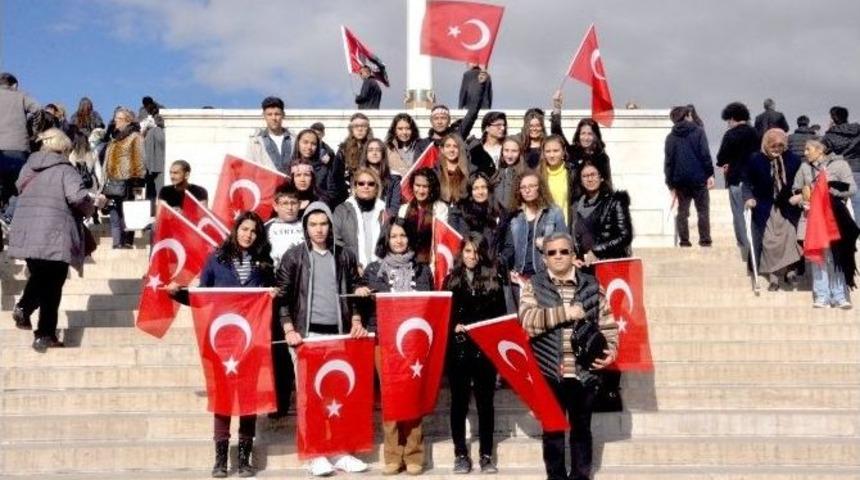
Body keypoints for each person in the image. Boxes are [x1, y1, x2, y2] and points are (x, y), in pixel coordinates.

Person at [167, 211, 277, 478]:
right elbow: (204, 298)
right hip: (222, 342)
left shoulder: (264, 264)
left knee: (248, 400)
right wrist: (177, 293)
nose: (248, 234)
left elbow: (271, 296)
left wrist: (272, 294)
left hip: (252, 342)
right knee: (223, 399)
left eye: (253, 231)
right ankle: (220, 460)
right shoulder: (216, 259)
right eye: (244, 229)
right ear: (235, 230)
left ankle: (244, 458)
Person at [276, 201, 371, 476]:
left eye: (324, 224)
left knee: (339, 394)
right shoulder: (294, 256)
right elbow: (282, 297)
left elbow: (354, 288)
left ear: (331, 226)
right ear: (306, 227)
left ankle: (340, 451)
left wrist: (355, 319)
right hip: (307, 337)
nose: (319, 230)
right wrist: (288, 329)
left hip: (339, 335)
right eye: (313, 224)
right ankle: (314, 454)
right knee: (309, 398)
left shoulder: (344, 255)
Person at [518, 232, 619, 480]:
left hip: (584, 373)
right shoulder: (534, 285)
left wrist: (612, 351)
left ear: (573, 255)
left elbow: (608, 324)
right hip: (548, 372)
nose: (558, 256)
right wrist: (565, 313)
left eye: (564, 251)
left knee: (582, 431)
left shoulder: (593, 285)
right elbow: (527, 322)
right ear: (544, 259)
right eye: (552, 252)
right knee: (552, 431)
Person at [7, 128, 98, 351]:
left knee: (40, 276)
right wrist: (94, 205)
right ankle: (41, 329)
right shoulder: (66, 170)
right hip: (55, 233)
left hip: (28, 232)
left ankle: (28, 315)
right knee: (52, 285)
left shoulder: (28, 167)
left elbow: (19, 188)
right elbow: (77, 197)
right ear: (63, 149)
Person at [361, 218, 433, 475]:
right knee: (390, 399)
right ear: (386, 240)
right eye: (394, 236)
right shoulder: (373, 270)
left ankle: (414, 453)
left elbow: (430, 307)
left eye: (403, 236)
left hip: (414, 344)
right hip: (384, 342)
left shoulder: (424, 270)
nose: (399, 241)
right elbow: (366, 308)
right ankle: (393, 454)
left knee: (412, 396)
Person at [569, 161, 632, 413]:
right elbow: (575, 239)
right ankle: (594, 383)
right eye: (585, 175)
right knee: (591, 328)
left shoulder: (615, 201)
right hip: (586, 275)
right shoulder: (577, 205)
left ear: (602, 177)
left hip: (610, 272)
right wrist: (575, 256)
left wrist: (598, 252)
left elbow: (624, 235)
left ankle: (611, 389)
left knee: (612, 326)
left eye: (594, 174)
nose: (590, 179)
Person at [444, 232, 508, 474]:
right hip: (459, 351)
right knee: (459, 403)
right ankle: (460, 453)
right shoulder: (450, 280)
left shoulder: (494, 280)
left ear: (483, 253)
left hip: (484, 351)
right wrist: (454, 326)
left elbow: (500, 318)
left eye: (476, 251)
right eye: (467, 251)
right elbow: (444, 317)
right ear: (462, 253)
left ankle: (486, 455)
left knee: (485, 404)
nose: (472, 256)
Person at [791, 138, 857, 308]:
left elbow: (851, 188)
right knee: (818, 256)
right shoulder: (804, 167)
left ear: (820, 150)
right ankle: (821, 296)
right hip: (812, 217)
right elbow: (796, 188)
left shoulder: (839, 165)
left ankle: (840, 295)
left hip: (834, 217)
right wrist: (802, 198)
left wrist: (828, 189)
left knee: (836, 255)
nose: (804, 153)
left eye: (808, 149)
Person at [742, 129, 803, 291]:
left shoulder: (794, 160)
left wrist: (799, 195)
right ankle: (774, 277)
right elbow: (746, 181)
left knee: (790, 238)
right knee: (769, 242)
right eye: (773, 146)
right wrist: (748, 198)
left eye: (780, 146)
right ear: (766, 145)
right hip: (764, 207)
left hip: (787, 207)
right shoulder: (756, 160)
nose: (777, 150)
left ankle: (790, 271)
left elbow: (802, 181)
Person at [502, 172, 566, 284]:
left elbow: (565, 244)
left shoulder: (554, 212)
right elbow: (509, 247)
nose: (527, 190)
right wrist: (507, 271)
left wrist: (546, 242)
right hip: (520, 277)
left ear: (540, 188)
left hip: (547, 277)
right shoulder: (515, 216)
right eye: (523, 187)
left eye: (532, 186)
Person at [664, 105, 715, 247]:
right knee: (703, 210)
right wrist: (710, 174)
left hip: (680, 181)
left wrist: (670, 184)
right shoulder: (698, 132)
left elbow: (668, 162)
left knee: (682, 212)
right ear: (686, 116)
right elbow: (705, 155)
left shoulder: (670, 137)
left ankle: (684, 241)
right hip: (698, 178)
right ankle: (705, 240)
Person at [716, 101, 760, 256]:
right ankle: (757, 244)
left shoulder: (730, 134)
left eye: (728, 120)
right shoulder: (755, 132)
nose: (728, 123)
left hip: (735, 178)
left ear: (732, 118)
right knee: (755, 213)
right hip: (754, 178)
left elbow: (721, 158)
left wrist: (726, 162)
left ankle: (744, 245)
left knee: (738, 213)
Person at [551, 91, 613, 191]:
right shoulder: (572, 152)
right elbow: (556, 132)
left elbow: (607, 184)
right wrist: (557, 107)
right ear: (578, 135)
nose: (586, 137)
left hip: (594, 204)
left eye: (590, 134)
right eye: (583, 133)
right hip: (574, 203)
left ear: (595, 136)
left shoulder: (602, 158)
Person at [0, 72, 40, 225]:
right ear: (14, 85)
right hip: (18, 148)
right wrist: (33, 130)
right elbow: (37, 109)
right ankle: (9, 215)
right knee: (21, 186)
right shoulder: (21, 96)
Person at [103, 107, 145, 249]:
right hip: (112, 181)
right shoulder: (114, 138)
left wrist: (136, 181)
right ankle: (116, 242)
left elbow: (138, 159)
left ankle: (127, 241)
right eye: (115, 119)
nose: (115, 122)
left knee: (127, 213)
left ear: (127, 121)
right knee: (114, 212)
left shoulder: (135, 137)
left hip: (127, 181)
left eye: (118, 119)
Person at [333, 167, 387, 272]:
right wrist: (353, 264)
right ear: (355, 187)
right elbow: (335, 242)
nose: (366, 186)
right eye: (361, 183)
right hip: (352, 272)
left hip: (381, 273)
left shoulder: (385, 212)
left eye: (371, 184)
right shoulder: (342, 211)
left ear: (376, 188)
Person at [422, 70, 489, 149]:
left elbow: (472, 113)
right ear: (431, 121)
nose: (439, 122)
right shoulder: (422, 144)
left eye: (443, 118)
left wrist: (480, 86)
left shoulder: (458, 136)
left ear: (449, 121)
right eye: (436, 118)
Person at [397, 168, 449, 264]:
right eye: (418, 185)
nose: (421, 191)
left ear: (431, 188)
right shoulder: (403, 209)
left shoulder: (440, 208)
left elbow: (440, 239)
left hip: (430, 263)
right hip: (406, 263)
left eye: (425, 186)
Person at [449, 172, 506, 254]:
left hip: (491, 261)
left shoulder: (498, 211)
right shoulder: (460, 211)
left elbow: (506, 244)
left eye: (483, 187)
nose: (480, 192)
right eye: (475, 188)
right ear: (470, 191)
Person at [822, 106, 860, 222]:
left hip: (841, 172)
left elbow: (822, 151)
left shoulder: (830, 135)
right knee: (858, 202)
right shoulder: (858, 130)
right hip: (857, 168)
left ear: (834, 118)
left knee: (838, 202)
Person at [334, 113, 373, 205]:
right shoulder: (343, 150)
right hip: (347, 197)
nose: (360, 129)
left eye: (363, 126)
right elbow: (336, 176)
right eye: (356, 126)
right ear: (351, 129)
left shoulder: (374, 148)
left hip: (370, 196)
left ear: (368, 129)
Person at [290, 129, 336, 207]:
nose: (309, 147)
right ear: (298, 143)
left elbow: (332, 193)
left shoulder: (324, 169)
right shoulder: (289, 167)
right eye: (305, 142)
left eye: (313, 144)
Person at [247, 96, 292, 174]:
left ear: (283, 115)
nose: (273, 118)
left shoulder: (295, 140)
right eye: (269, 114)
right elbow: (250, 169)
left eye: (277, 114)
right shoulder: (255, 142)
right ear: (264, 115)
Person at [266, 182, 306, 268]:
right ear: (275, 206)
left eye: (293, 203)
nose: (290, 208)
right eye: (285, 203)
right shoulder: (267, 228)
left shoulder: (307, 225)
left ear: (299, 205)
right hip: (278, 277)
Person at [539, 134, 575, 225]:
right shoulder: (538, 174)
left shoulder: (572, 172)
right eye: (548, 151)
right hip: (546, 228)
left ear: (563, 152)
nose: (552, 155)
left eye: (556, 151)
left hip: (567, 227)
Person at [359, 138, 402, 216]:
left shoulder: (394, 178)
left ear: (383, 153)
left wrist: (383, 220)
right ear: (366, 154)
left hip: (384, 221)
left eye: (378, 150)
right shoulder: (358, 176)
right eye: (370, 150)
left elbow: (394, 207)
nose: (374, 153)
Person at [140, 100, 165, 201]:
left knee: (159, 186)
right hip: (147, 158)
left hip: (158, 158)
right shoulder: (142, 112)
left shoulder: (161, 111)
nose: (147, 108)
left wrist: (156, 124)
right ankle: (150, 208)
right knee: (149, 186)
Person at [493, 136, 526, 211]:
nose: (509, 155)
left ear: (520, 152)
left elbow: (507, 203)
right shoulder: (499, 171)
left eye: (514, 151)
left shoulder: (524, 174)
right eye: (506, 150)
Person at [469, 111, 507, 178]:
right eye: (498, 125)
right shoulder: (476, 149)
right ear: (487, 128)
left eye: (504, 125)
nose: (503, 128)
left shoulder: (507, 148)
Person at [437, 133, 471, 205]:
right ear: (442, 149)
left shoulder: (469, 171)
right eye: (448, 146)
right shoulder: (436, 171)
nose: (451, 150)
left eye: (455, 146)